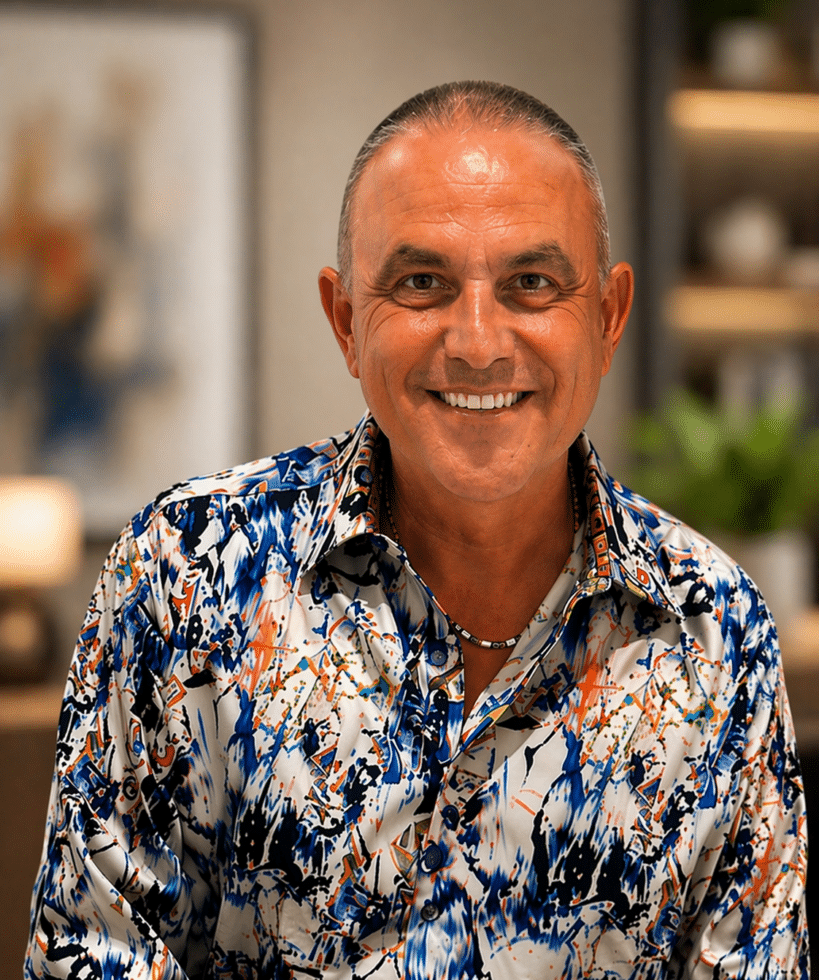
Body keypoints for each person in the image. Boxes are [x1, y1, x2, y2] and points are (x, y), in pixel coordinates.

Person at [27, 81, 809, 979]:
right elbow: (92, 959)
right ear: (346, 321)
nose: (477, 341)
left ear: (606, 318)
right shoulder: (183, 578)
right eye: (422, 283)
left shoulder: (715, 630)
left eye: (531, 283)